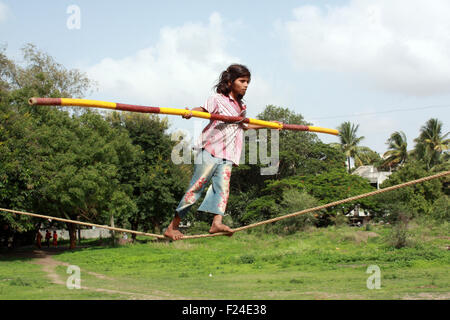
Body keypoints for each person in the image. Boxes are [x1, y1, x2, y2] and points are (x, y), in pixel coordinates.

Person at [164, 64, 276, 241]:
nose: (246, 85)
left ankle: (216, 223)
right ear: (230, 82)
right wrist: (190, 112)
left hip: (228, 155)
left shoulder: (241, 107)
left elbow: (244, 125)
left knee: (223, 190)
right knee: (196, 188)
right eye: (242, 81)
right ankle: (173, 227)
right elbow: (203, 110)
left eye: (248, 82)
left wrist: (268, 125)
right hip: (210, 150)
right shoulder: (217, 99)